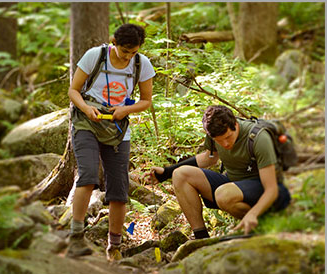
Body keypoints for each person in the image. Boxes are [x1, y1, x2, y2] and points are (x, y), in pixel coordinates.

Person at [67, 23, 155, 261]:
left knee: (118, 189)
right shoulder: (95, 56)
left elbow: (146, 100)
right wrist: (86, 109)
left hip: (117, 129)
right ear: (114, 42)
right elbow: (74, 91)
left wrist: (124, 110)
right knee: (87, 176)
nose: (128, 56)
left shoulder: (141, 64)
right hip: (88, 123)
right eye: (124, 50)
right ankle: (76, 237)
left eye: (133, 52)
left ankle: (113, 246)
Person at [148, 105, 291, 239]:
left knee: (223, 194)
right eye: (219, 141)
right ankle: (201, 238)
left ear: (235, 124)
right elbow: (208, 159)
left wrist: (252, 214)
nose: (226, 144)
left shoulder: (259, 138)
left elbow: (271, 189)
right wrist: (166, 172)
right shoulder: (214, 134)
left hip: (265, 189)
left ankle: (264, 225)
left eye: (228, 137)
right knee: (180, 174)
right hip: (235, 184)